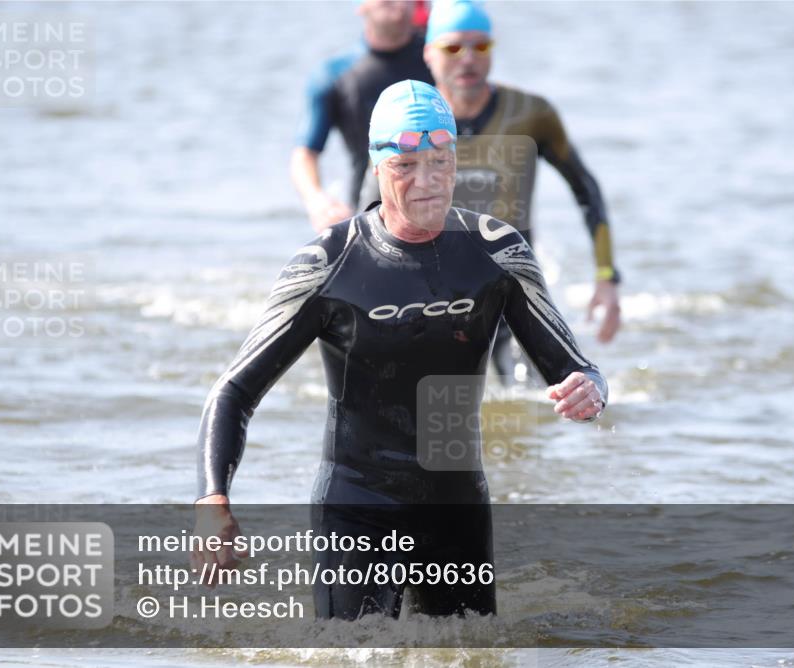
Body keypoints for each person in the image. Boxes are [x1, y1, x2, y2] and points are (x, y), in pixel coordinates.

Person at [194, 80, 608, 620]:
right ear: (376, 166)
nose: (427, 182)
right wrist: (211, 501)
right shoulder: (328, 266)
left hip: (457, 509)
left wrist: (591, 389)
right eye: (406, 166)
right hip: (357, 505)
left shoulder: (499, 253)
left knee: (471, 660)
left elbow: (572, 365)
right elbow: (234, 390)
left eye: (440, 162)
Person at [423, 0, 623, 351]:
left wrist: (607, 278)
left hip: (512, 288)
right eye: (453, 47)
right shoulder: (411, 123)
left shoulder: (531, 115)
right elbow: (372, 211)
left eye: (480, 45)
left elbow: (586, 190)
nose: (468, 58)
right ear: (429, 53)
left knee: (539, 397)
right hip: (433, 293)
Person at [291, 0, 434, 232]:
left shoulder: (442, 60)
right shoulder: (333, 75)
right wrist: (317, 201)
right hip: (368, 212)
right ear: (361, 5)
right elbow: (304, 154)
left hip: (440, 208)